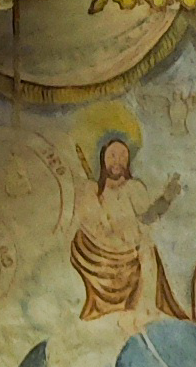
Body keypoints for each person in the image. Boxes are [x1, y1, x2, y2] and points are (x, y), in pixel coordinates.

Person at [68, 131, 179, 320]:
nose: (117, 161)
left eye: (123, 156)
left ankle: (143, 308)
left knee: (147, 250)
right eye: (112, 155)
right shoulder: (91, 191)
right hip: (103, 256)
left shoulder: (133, 188)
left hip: (133, 253)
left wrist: (165, 199)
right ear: (102, 158)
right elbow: (90, 225)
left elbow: (147, 216)